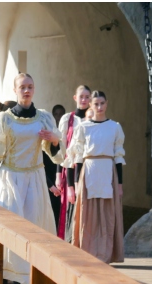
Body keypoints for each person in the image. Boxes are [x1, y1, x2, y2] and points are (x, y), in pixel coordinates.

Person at [0, 72, 63, 284]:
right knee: (9, 226)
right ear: (15, 90)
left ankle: (25, 276)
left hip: (35, 178)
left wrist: (54, 140)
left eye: (30, 86)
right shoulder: (5, 119)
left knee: (33, 226)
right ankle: (4, 272)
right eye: (22, 87)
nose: (26, 90)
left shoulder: (43, 117)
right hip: (10, 178)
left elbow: (55, 153)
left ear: (34, 89)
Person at [64, 90, 125, 263]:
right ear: (90, 105)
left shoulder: (114, 127)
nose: (99, 107)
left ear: (106, 104)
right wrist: (76, 182)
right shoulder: (83, 127)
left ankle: (105, 254)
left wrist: (119, 184)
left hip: (108, 170)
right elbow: (77, 156)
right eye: (96, 104)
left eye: (102, 103)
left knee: (107, 214)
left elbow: (118, 156)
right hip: (89, 170)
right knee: (88, 214)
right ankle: (88, 252)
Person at [55, 85, 91, 239]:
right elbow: (61, 148)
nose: (84, 100)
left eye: (87, 97)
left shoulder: (93, 119)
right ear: (75, 98)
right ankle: (69, 241)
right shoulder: (67, 119)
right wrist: (58, 174)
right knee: (69, 207)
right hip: (69, 168)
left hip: (89, 169)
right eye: (81, 96)